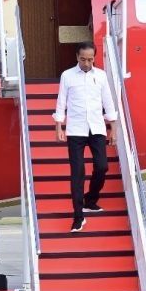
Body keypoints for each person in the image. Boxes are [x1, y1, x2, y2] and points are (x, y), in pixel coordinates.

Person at [53, 42, 117, 232]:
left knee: (102, 166)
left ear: (94, 58)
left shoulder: (101, 76)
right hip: (75, 130)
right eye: (83, 59)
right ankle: (78, 216)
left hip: (97, 127)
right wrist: (59, 126)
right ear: (77, 57)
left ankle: (91, 199)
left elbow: (108, 101)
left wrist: (113, 127)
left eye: (90, 59)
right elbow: (61, 101)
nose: (87, 63)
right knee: (77, 173)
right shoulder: (67, 75)